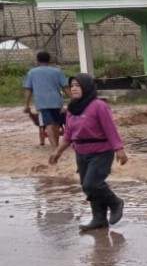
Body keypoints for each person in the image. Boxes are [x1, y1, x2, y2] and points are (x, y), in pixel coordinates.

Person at [48, 73, 128, 231]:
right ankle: (99, 219)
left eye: (78, 85)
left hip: (101, 152)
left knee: (92, 183)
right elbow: (69, 134)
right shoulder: (72, 109)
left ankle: (115, 202)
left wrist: (119, 149)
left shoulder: (99, 106)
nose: (74, 89)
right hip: (81, 153)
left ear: (87, 87)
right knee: (87, 187)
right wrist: (58, 151)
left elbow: (110, 129)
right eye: (72, 86)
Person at [22, 50, 68, 149]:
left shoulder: (32, 73)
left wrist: (26, 104)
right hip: (56, 101)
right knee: (55, 123)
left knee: (48, 124)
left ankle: (55, 147)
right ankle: (55, 146)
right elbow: (65, 87)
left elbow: (28, 89)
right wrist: (75, 99)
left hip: (42, 102)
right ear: (49, 60)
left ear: (37, 60)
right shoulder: (57, 71)